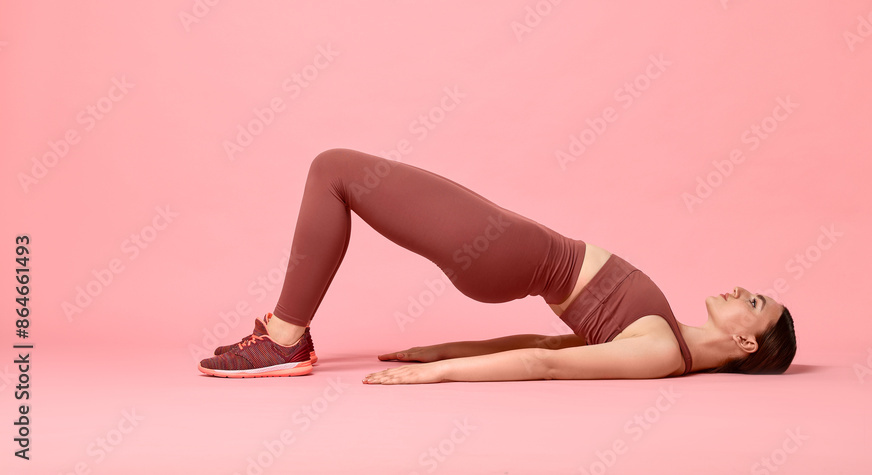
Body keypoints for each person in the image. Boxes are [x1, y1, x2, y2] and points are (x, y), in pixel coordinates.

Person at [197, 149, 796, 383]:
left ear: (746, 341)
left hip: (506, 252)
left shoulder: (663, 351)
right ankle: (285, 336)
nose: (744, 291)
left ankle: (283, 339)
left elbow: (543, 366)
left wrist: (438, 379)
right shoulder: (669, 337)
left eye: (755, 303)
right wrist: (446, 350)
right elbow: (549, 342)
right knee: (337, 173)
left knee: (333, 171)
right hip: (510, 245)